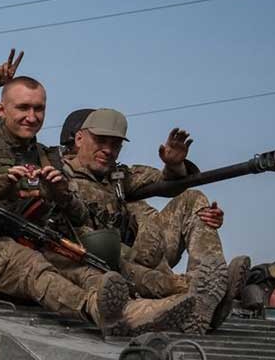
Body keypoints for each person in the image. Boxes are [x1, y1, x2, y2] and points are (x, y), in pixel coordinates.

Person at [0, 77, 202, 336]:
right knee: (32, 267)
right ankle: (95, 310)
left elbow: (79, 215)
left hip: (35, 239)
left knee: (88, 268)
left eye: (38, 109)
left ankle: (142, 308)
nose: (32, 116)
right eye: (23, 108)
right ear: (2, 110)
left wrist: (61, 194)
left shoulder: (47, 157)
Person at [62, 108, 246, 332]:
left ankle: (208, 277)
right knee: (136, 273)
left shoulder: (119, 176)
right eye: (100, 141)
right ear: (79, 138)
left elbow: (167, 182)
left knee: (192, 198)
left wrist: (174, 165)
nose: (108, 150)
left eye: (116, 144)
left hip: (144, 250)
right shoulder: (57, 176)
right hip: (102, 259)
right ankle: (202, 293)